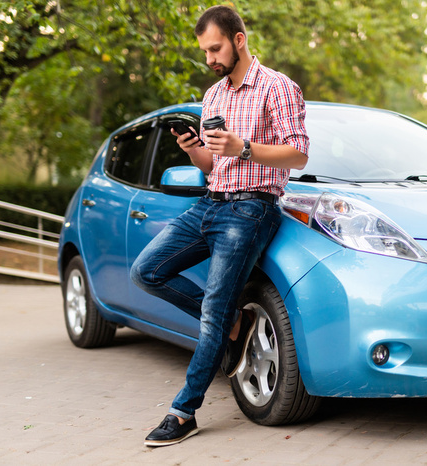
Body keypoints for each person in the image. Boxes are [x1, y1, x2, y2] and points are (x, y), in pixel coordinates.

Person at [130, 5, 309, 447]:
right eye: (205, 51)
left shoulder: (278, 87)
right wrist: (193, 149)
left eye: (216, 48)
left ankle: (183, 412)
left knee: (212, 308)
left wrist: (244, 147)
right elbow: (212, 164)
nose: (210, 58)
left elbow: (298, 154)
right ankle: (234, 324)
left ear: (239, 39)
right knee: (146, 271)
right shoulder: (212, 96)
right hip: (210, 203)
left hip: (251, 208)